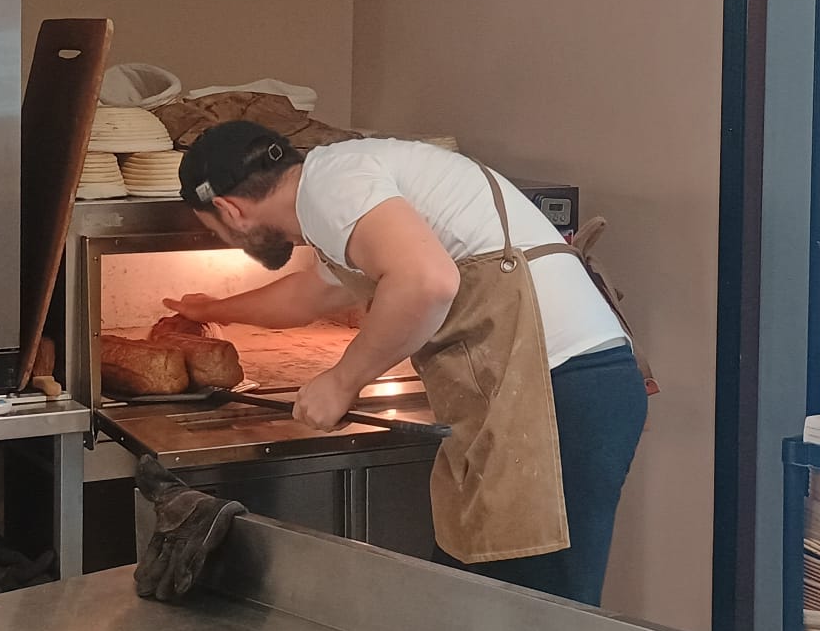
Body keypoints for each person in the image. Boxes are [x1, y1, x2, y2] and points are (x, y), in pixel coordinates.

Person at [171, 121, 647, 606]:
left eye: (215, 230)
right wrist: (210, 310)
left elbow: (426, 282)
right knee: (475, 599)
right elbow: (309, 296)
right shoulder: (339, 186)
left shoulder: (332, 185)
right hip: (542, 393)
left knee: (540, 616)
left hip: (560, 394)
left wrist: (343, 381)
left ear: (230, 210)